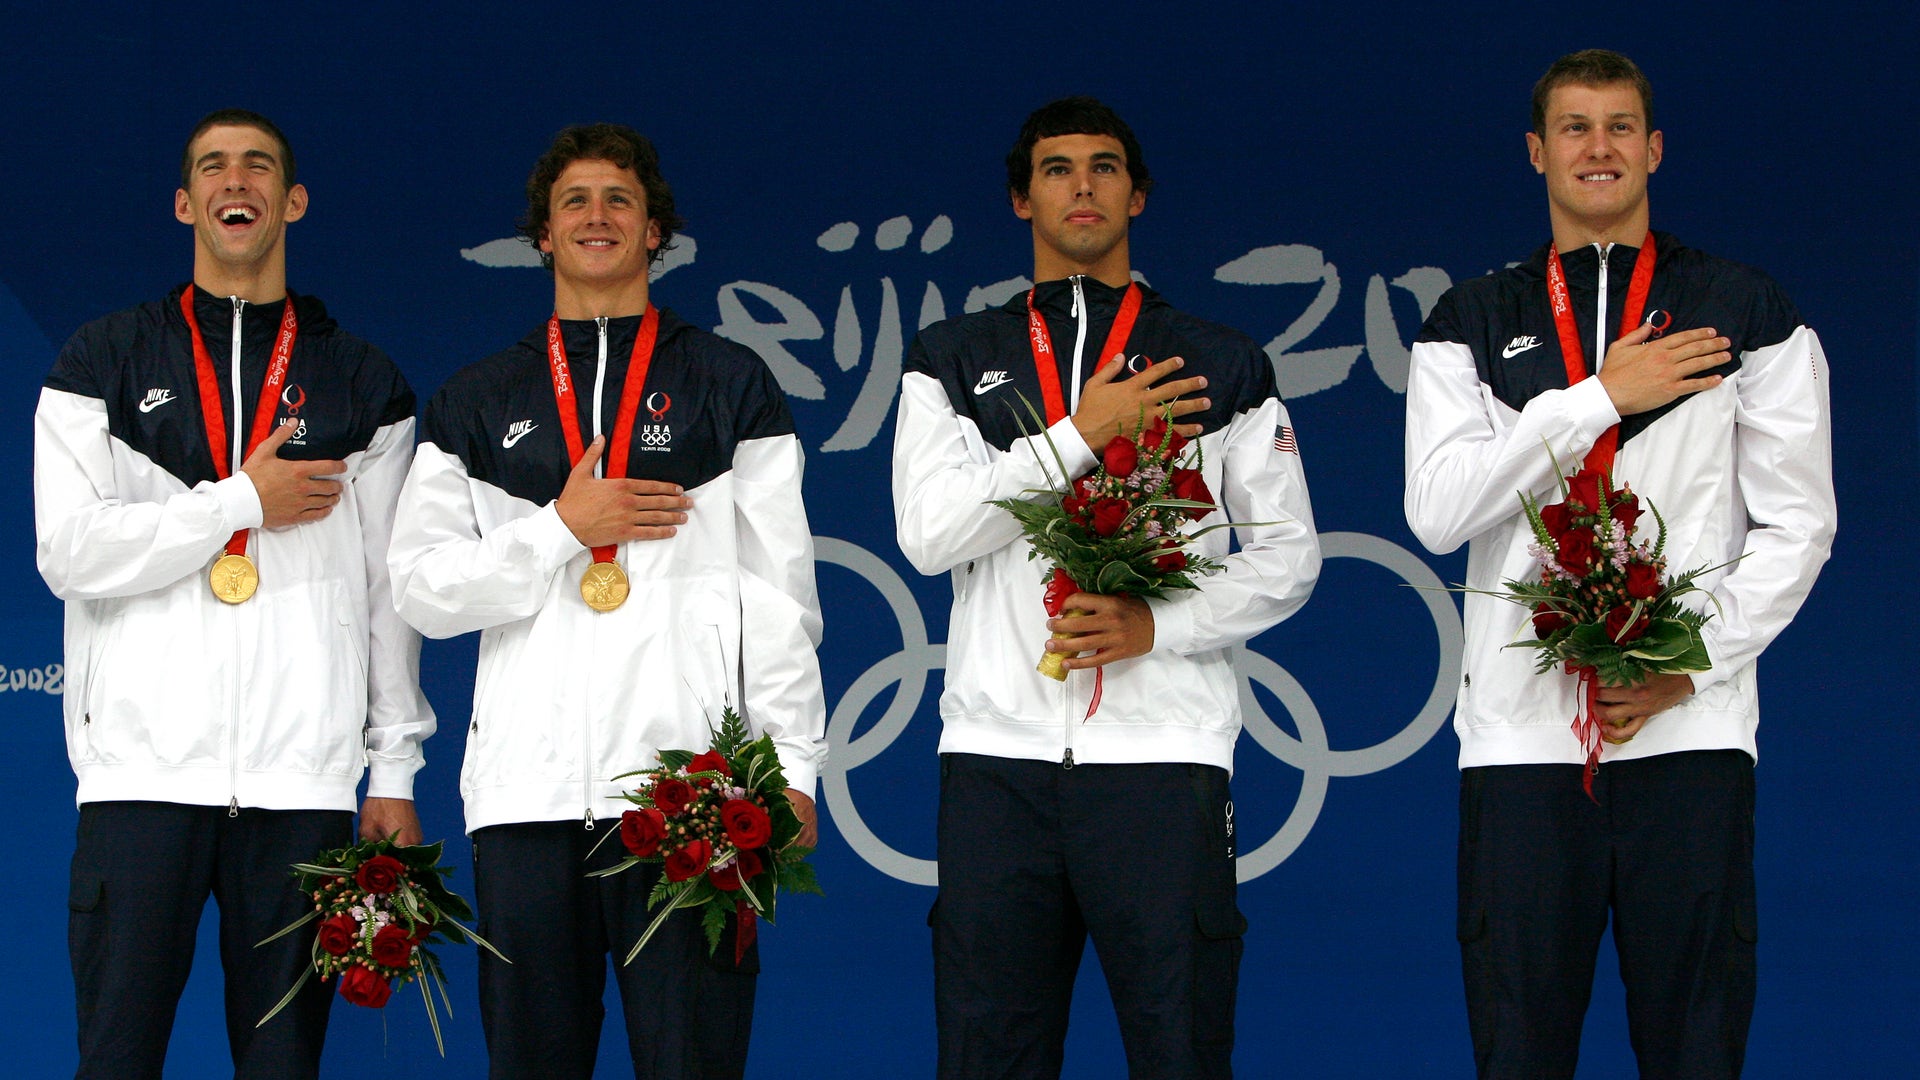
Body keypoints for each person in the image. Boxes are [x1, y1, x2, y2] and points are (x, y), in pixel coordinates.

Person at [1403, 49, 1836, 1079]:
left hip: (1689, 731)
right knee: (1519, 1054)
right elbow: (1439, 508)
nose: (1597, 147)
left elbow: (1800, 523)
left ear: (1652, 147)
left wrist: (1695, 660)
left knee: (1694, 1050)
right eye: (1574, 127)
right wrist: (1599, 396)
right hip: (1518, 742)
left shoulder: (1745, 308)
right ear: (1537, 152)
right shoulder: (1470, 320)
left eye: (1618, 126)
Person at [893, 96, 1321, 1079]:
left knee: (1181, 1051)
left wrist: (1154, 627)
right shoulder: (952, 358)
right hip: (997, 763)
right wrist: (1082, 432)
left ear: (1137, 195)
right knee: (988, 1058)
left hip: (1164, 760)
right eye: (1056, 168)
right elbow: (930, 533)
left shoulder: (1219, 360)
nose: (1081, 185)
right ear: (1019, 198)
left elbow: (1291, 557)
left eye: (1103, 167)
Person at [387, 123, 826, 1080]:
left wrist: (794, 764)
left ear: (656, 230)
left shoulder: (729, 382)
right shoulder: (476, 397)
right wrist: (559, 528)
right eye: (574, 202)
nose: (597, 216)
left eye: (619, 200)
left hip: (690, 798)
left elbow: (781, 596)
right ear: (541, 235)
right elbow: (420, 589)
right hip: (525, 800)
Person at [32, 108, 435, 1079]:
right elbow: (71, 553)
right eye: (212, 167)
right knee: (116, 1060)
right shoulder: (104, 363)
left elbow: (388, 593)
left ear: (291, 201)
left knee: (283, 1068)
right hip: (141, 776)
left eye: (258, 165)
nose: (234, 181)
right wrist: (239, 502)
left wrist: (393, 771)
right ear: (186, 204)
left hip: (301, 782)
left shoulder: (362, 382)